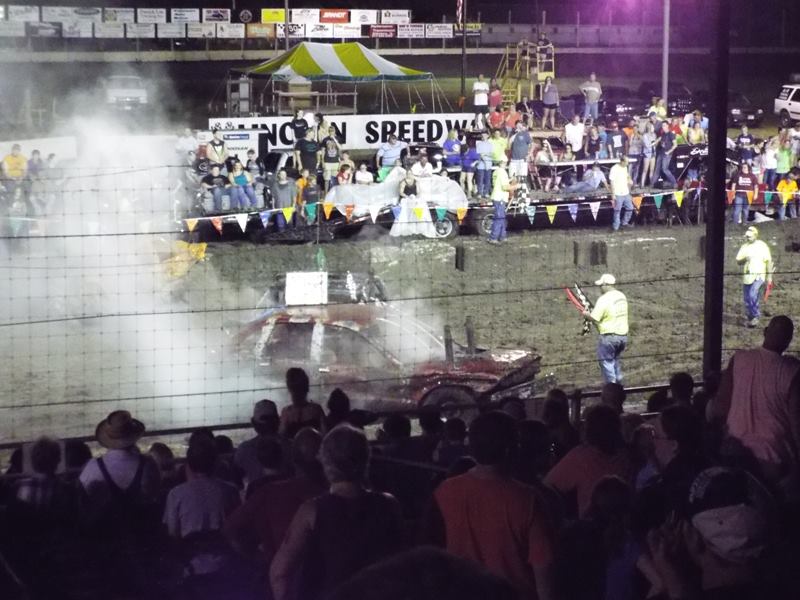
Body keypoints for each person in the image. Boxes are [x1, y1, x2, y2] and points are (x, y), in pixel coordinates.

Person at [427, 411, 556, 600]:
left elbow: (431, 557)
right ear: (511, 449)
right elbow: (543, 570)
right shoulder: (528, 499)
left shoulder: (444, 492)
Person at [270, 425, 403, 600]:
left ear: (326, 462)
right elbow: (403, 562)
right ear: (366, 458)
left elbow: (280, 573)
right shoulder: (389, 504)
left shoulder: (311, 512)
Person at [711, 316, 800, 492]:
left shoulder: (739, 359)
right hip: (773, 460)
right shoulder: (792, 372)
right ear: (788, 340)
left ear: (765, 332)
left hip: (735, 452)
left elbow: (720, 406)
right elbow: (797, 422)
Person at [225, 428, 326, 565]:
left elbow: (230, 527)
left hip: (279, 568)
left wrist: (258, 559)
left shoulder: (268, 491)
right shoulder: (337, 493)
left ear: (293, 459)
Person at [163, 438, 240, 576]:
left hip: (190, 562)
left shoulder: (176, 494)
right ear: (216, 463)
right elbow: (238, 527)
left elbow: (173, 534)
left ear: (188, 465)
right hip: (224, 560)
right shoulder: (230, 490)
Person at [545, 404, 632, 518]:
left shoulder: (581, 457)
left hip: (592, 524)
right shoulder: (628, 455)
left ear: (589, 429)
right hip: (626, 523)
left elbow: (548, 485)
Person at [582, 273, 629, 384]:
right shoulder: (621, 296)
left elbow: (594, 317)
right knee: (615, 362)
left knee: (607, 363)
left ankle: (611, 387)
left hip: (609, 337)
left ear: (606, 285)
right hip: (622, 337)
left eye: (601, 285)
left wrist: (586, 314)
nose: (600, 288)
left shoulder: (604, 299)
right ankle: (619, 386)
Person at [233, 399, 286, 491]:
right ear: (278, 421)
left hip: (255, 496)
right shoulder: (292, 447)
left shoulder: (244, 450)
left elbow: (237, 481)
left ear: (254, 423)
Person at [734, 226, 773, 327]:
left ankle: (756, 316)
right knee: (747, 298)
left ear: (756, 235)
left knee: (752, 295)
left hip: (759, 275)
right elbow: (738, 261)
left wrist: (769, 276)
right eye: (747, 236)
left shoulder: (762, 246)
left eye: (750, 236)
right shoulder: (744, 247)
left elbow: (768, 261)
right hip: (747, 277)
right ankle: (751, 316)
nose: (748, 238)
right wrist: (745, 259)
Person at [279, 368, 324, 438]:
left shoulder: (286, 413)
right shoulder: (316, 410)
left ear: (289, 389)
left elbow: (281, 437)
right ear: (307, 388)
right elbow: (325, 436)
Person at [391, 171, 437, 238]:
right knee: (407, 208)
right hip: (406, 198)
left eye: (410, 173)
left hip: (414, 198)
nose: (409, 175)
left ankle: (421, 228)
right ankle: (406, 229)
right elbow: (401, 192)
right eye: (408, 173)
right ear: (406, 174)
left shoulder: (416, 181)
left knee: (420, 207)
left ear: (412, 174)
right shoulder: (403, 182)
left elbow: (418, 192)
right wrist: (408, 197)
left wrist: (415, 197)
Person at [487, 156, 518, 244]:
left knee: (502, 218)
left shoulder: (496, 171)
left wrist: (510, 180)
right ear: (503, 163)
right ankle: (493, 238)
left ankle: (502, 236)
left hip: (497, 196)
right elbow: (505, 187)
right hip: (500, 198)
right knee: (499, 218)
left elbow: (499, 182)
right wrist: (516, 186)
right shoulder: (503, 172)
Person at [609, 155, 634, 231]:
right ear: (622, 161)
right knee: (617, 210)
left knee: (630, 208)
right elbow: (611, 182)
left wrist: (630, 180)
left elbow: (627, 175)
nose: (627, 164)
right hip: (618, 193)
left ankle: (624, 223)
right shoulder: (614, 169)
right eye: (626, 162)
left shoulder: (625, 168)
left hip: (625, 192)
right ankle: (616, 226)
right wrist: (613, 194)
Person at [654, 121, 678, 187]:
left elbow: (675, 145)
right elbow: (659, 140)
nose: (663, 127)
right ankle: (653, 184)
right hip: (661, 153)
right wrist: (654, 143)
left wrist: (668, 152)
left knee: (665, 169)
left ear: (667, 126)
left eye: (664, 125)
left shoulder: (671, 134)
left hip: (667, 155)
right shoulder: (663, 134)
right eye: (662, 126)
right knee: (657, 169)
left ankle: (674, 183)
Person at [475, 130, 494, 199]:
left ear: (488, 136)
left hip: (488, 165)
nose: (484, 136)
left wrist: (485, 154)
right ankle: (480, 193)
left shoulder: (490, 144)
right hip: (481, 165)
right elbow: (480, 154)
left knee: (487, 179)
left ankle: (486, 193)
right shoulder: (479, 144)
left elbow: (491, 154)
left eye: (485, 135)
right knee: (480, 180)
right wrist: (485, 160)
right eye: (482, 135)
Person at [640, 121, 658, 187]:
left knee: (652, 170)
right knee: (645, 170)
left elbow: (655, 145)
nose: (653, 128)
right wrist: (655, 142)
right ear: (649, 127)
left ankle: (651, 184)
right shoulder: (645, 135)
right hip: (647, 154)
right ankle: (642, 184)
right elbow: (647, 145)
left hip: (653, 153)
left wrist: (656, 143)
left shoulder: (654, 135)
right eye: (652, 127)